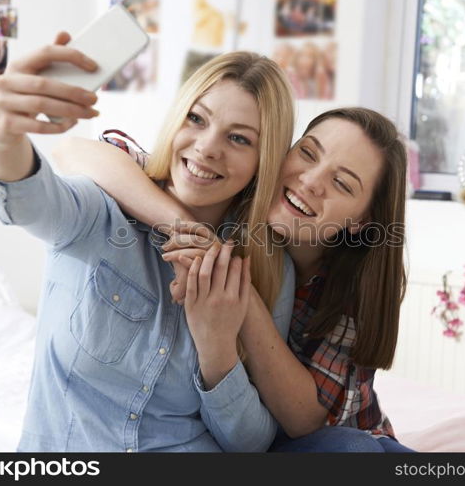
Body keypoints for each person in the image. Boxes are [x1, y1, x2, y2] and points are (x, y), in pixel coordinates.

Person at [0, 31, 296, 452]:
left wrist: (217, 347)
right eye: (196, 119)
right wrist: (2, 137)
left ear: (264, 161)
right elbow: (28, 202)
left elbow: (252, 443)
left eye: (239, 139)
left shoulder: (268, 265)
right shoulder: (102, 209)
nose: (206, 148)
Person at [54, 107, 415, 453]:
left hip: (340, 438)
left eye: (341, 183)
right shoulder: (229, 186)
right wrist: (186, 226)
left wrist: (243, 296)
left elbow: (304, 419)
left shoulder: (354, 283)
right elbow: (75, 151)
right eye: (307, 153)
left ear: (361, 221)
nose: (311, 181)